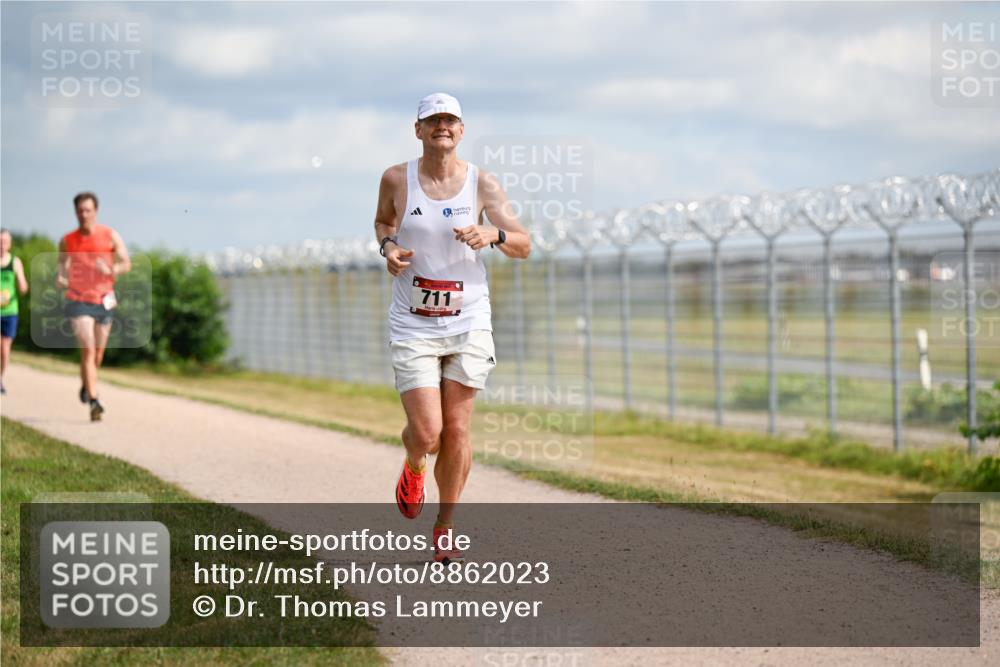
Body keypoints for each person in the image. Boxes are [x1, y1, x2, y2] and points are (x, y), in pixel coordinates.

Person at [373, 93, 531, 563]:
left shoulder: (483, 184)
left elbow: (524, 244)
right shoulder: (397, 178)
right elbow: (383, 221)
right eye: (432, 120)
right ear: (417, 130)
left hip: (468, 318)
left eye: (450, 120)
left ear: (461, 131)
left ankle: (444, 526)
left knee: (458, 429)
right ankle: (415, 462)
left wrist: (494, 235)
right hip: (414, 321)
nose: (442, 126)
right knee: (428, 433)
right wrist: (388, 249)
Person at [58, 192, 131, 421]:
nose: (84, 214)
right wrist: (60, 278)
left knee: (97, 355)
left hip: (104, 300)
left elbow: (126, 263)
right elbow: (61, 266)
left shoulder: (110, 236)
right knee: (88, 349)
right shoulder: (67, 240)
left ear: (95, 211)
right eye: (80, 210)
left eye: (88, 210)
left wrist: (111, 270)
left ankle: (85, 384)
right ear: (75, 212)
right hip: (78, 299)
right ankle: (94, 400)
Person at [0, 229, 29, 394]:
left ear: (9, 244)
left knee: (4, 350)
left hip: (10, 311)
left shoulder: (14, 262)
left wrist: (23, 286)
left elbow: (23, 285)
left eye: (4, 242)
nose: (2, 245)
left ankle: (0, 378)